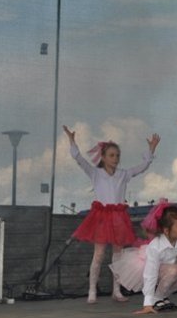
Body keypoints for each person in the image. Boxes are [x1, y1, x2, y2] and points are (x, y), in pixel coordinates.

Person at [63, 125, 160, 304]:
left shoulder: (123, 174)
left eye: (117, 156)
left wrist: (151, 149)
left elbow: (142, 167)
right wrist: (72, 140)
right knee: (99, 254)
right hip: (101, 217)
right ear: (103, 157)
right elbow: (79, 159)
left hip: (118, 219)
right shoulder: (95, 173)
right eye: (111, 155)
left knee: (118, 255)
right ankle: (92, 290)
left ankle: (116, 290)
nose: (115, 158)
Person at [135, 206, 177, 314]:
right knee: (174, 271)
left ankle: (162, 296)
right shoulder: (155, 247)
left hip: (168, 269)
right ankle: (155, 299)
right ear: (166, 230)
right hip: (150, 270)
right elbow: (150, 274)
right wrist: (147, 303)